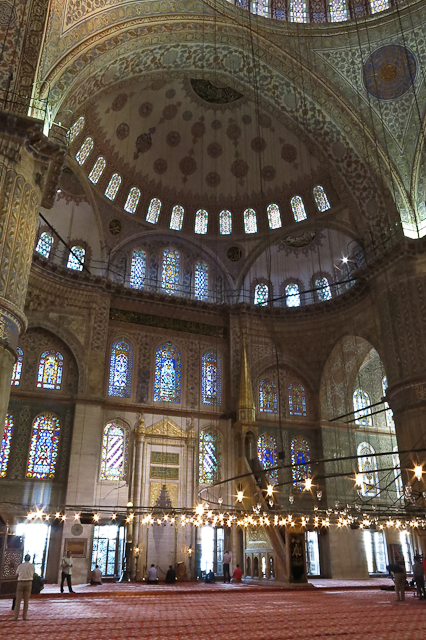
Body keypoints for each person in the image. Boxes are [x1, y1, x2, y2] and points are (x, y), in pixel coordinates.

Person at [14, 554, 35, 621]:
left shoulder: (20, 566)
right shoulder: (32, 566)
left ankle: (16, 617)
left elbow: (17, 574)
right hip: (29, 583)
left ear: (24, 559)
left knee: (18, 601)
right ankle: (24, 617)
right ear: (29, 559)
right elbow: (34, 574)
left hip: (20, 583)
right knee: (26, 601)